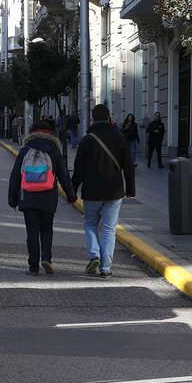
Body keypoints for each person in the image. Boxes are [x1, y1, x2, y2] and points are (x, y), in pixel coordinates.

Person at [72, 104, 137, 277]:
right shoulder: (119, 137)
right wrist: (131, 189)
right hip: (114, 191)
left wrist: (72, 190)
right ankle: (106, 267)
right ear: (108, 118)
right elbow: (129, 166)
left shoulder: (87, 140)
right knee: (109, 229)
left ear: (93, 119)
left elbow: (78, 169)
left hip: (91, 191)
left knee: (90, 223)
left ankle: (94, 255)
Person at [8, 118, 70, 275]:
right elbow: (63, 176)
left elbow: (15, 176)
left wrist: (12, 199)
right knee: (47, 229)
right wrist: (71, 195)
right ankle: (47, 258)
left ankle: (33, 266)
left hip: (28, 196)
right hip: (48, 197)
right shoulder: (54, 150)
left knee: (32, 231)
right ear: (50, 133)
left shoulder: (25, 150)